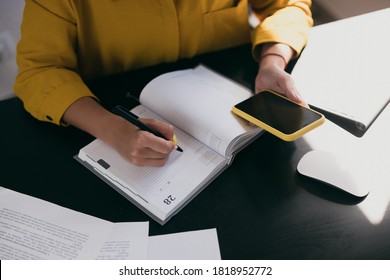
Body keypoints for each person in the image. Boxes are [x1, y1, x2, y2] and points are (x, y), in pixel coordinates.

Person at [14, 0, 313, 167]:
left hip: (237, 116)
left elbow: (286, 4)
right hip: (108, 112)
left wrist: (273, 59)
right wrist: (113, 129)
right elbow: (40, 71)